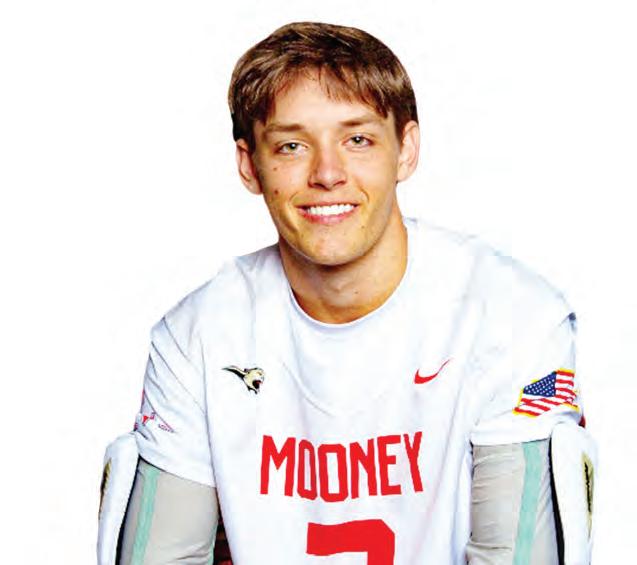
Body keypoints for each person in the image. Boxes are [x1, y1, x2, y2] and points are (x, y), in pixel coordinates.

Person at [97, 21, 596, 565]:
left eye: (357, 139)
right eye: (291, 146)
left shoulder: (513, 317)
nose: (328, 173)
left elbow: (515, 555)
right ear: (249, 166)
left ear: (406, 150)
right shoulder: (196, 335)